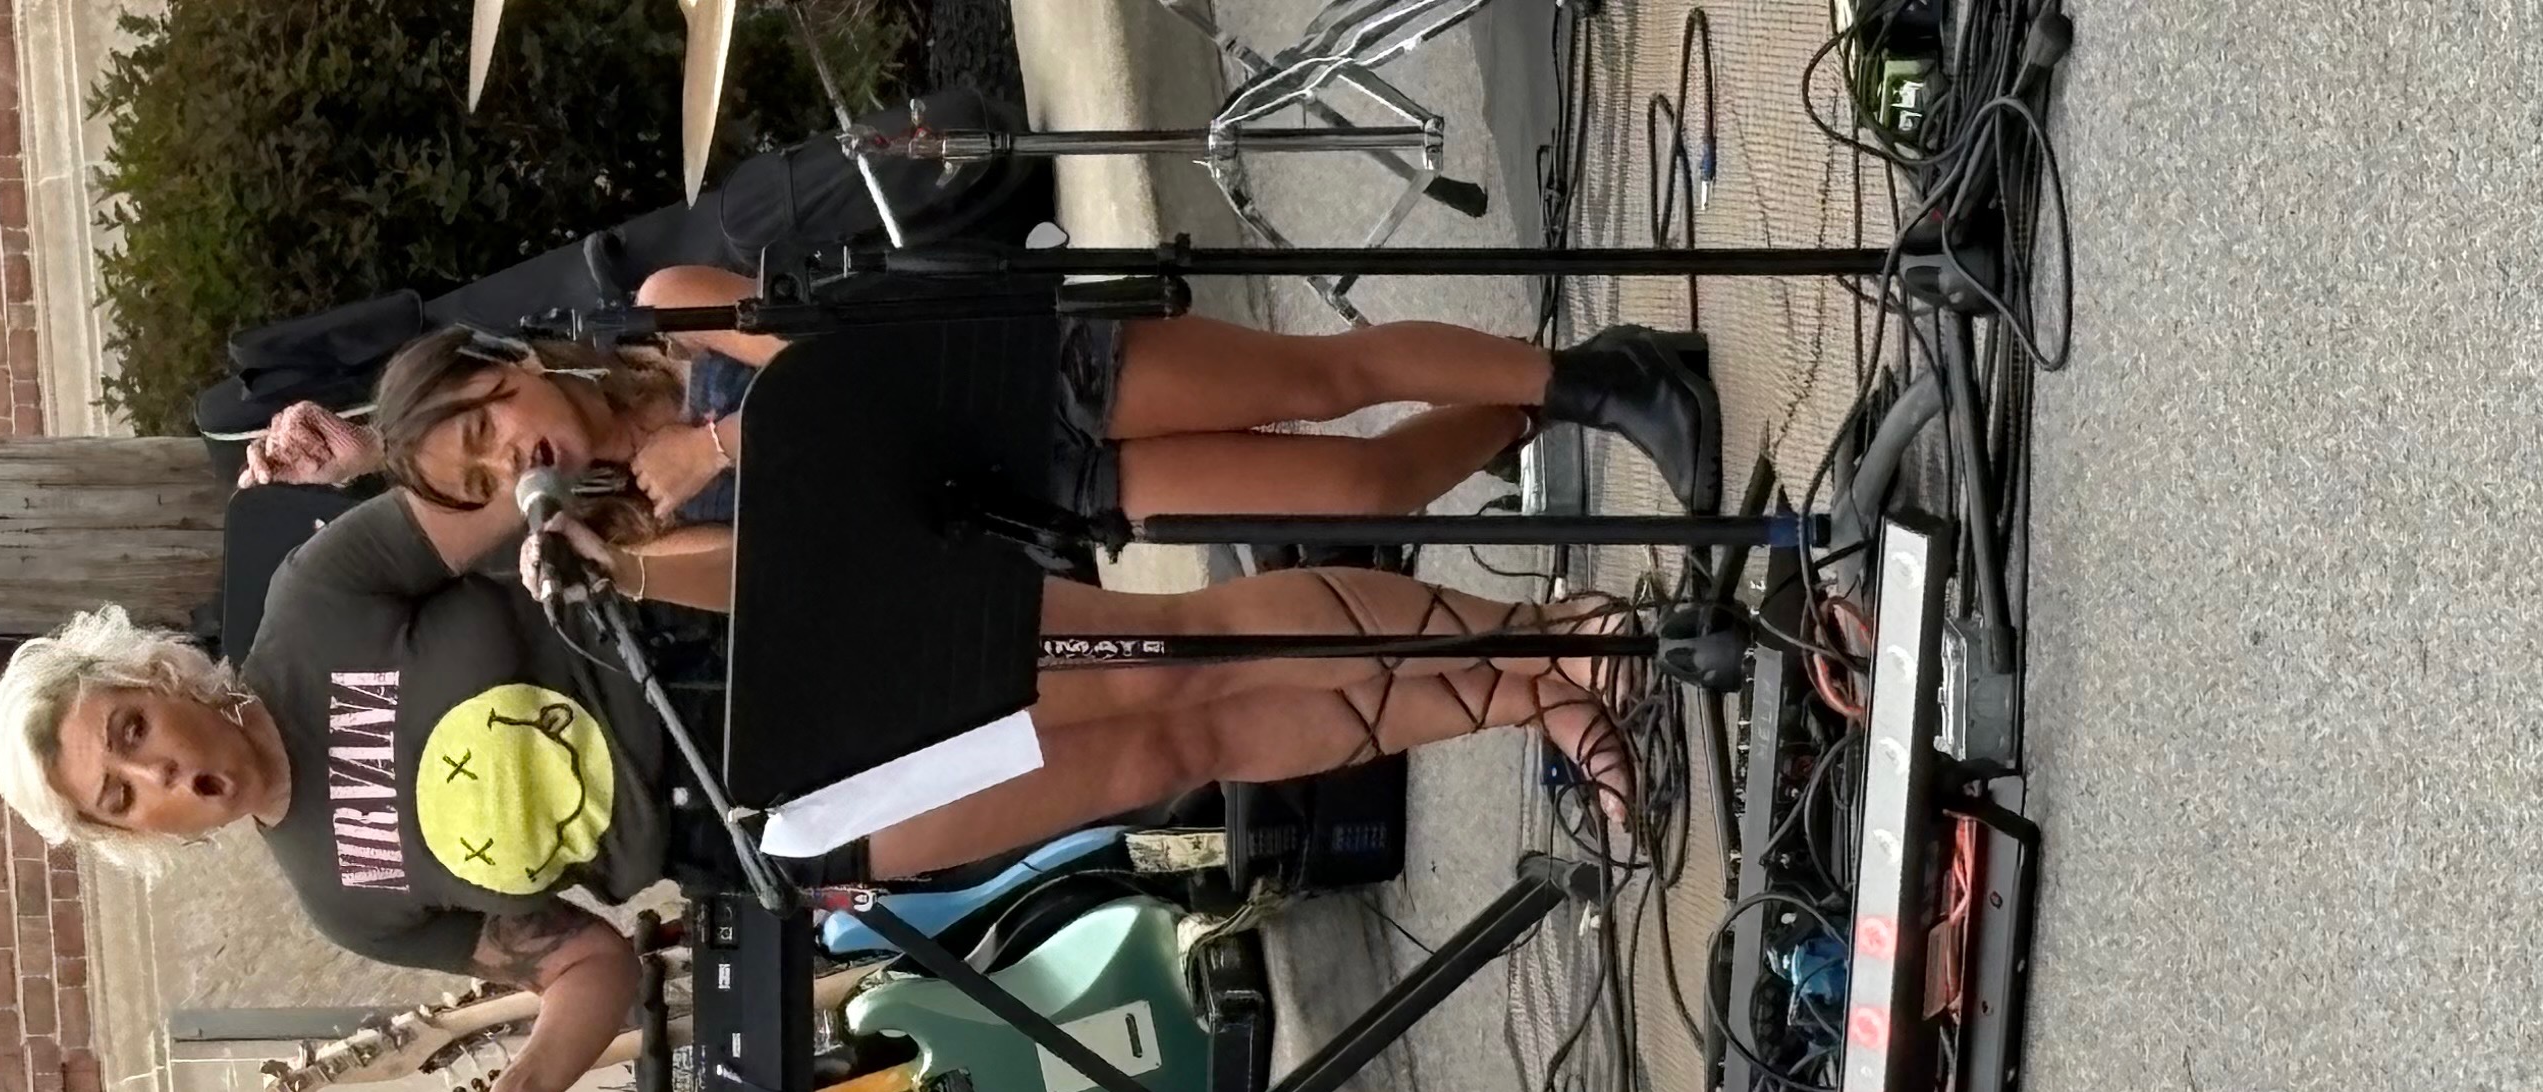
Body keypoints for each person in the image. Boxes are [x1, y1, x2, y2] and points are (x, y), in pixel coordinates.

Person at [0, 518, 1643, 1092]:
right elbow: (588, 958)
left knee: (1167, 650)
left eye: (129, 732)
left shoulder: (318, 603)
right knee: (1170, 752)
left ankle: (1540, 638)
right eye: (122, 797)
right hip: (766, 819)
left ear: (151, 677)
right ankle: (1528, 701)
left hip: (753, 648)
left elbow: (511, 496)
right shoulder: (343, 897)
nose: (158, 774)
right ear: (142, 840)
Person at [242, 289, 1725, 563]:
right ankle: (1572, 379)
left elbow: (846, 361)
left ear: (508, 366)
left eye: (487, 424)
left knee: (1321, 380)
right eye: (481, 476)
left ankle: (1599, 386)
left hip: (1022, 382)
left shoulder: (671, 314)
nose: (511, 459)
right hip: (1022, 489)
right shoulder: (634, 529)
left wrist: (729, 440)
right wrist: (366, 468)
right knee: (1366, 493)